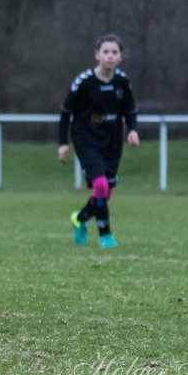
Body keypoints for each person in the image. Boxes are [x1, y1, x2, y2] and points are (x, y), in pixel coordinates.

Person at [57, 34, 139, 248]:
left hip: (112, 141)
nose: (110, 56)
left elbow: (130, 110)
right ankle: (106, 235)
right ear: (97, 55)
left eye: (115, 52)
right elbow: (66, 112)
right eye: (106, 52)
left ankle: (80, 218)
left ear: (120, 57)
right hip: (86, 138)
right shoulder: (84, 82)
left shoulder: (122, 81)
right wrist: (63, 143)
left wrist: (132, 130)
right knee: (101, 185)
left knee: (105, 192)